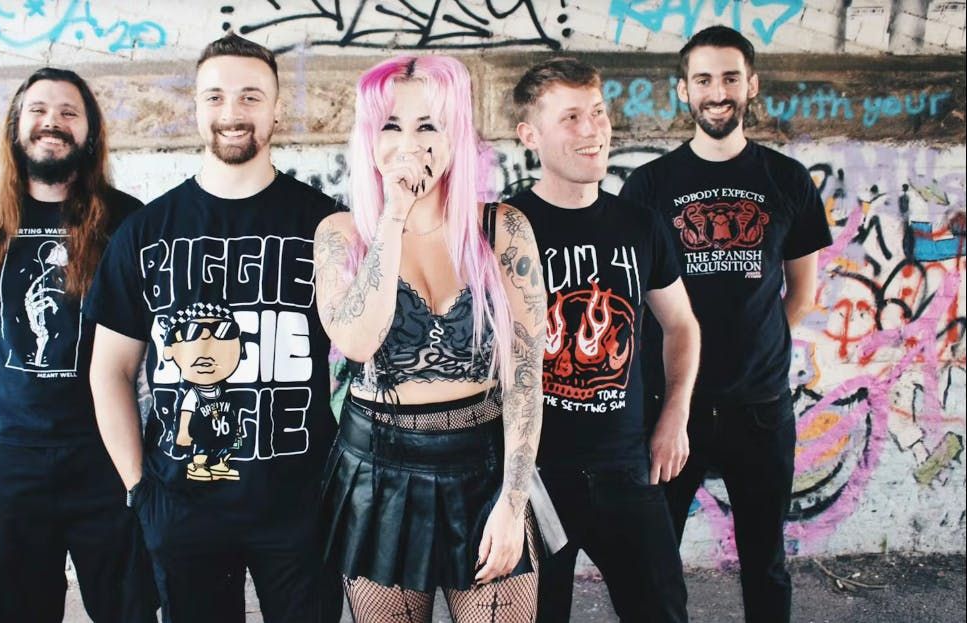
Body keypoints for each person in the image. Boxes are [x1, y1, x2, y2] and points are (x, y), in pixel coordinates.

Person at [84, 34, 342, 623]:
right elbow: (110, 371)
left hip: (300, 504)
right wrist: (139, 488)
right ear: (196, 107)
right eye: (216, 97)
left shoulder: (325, 225)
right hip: (182, 505)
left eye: (251, 96)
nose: (232, 112)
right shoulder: (146, 232)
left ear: (276, 109)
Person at [314, 55, 548, 622]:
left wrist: (512, 503)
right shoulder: (342, 235)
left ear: (456, 134)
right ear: (369, 137)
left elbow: (525, 377)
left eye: (429, 125)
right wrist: (392, 216)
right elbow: (358, 340)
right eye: (391, 126)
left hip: (484, 467)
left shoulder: (503, 230)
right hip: (378, 472)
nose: (409, 143)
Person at [620, 26, 832, 623]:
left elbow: (802, 292)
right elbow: (632, 299)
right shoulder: (649, 186)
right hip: (670, 408)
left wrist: (755, 346)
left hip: (760, 408)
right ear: (684, 90)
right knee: (655, 564)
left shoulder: (787, 179)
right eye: (704, 79)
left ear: (752, 85)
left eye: (731, 78)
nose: (718, 93)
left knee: (765, 563)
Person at [0, 67, 154, 622]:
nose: (51, 122)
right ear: (16, 126)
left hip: (106, 453)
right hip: (8, 456)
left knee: (128, 607)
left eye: (67, 112)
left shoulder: (127, 220)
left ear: (89, 132)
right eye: (38, 110)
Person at [505, 57, 700, 622]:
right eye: (570, 117)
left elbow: (682, 324)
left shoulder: (640, 225)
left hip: (625, 465)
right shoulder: (502, 228)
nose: (592, 129)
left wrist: (675, 413)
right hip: (533, 476)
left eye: (597, 112)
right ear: (530, 135)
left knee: (663, 610)